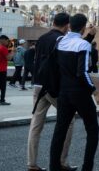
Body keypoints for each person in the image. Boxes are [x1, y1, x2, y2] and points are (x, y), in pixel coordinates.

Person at [49, 14, 99, 171]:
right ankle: (87, 168)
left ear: (69, 25)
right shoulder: (83, 45)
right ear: (83, 27)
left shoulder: (60, 41)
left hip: (64, 92)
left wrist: (89, 36)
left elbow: (67, 59)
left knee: (60, 130)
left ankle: (54, 167)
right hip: (80, 94)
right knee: (92, 130)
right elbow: (82, 72)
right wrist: (95, 91)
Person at [28, 13, 79, 171]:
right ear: (66, 26)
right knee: (68, 121)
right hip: (53, 88)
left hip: (38, 85)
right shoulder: (61, 40)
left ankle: (32, 163)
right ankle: (62, 161)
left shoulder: (42, 38)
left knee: (36, 124)